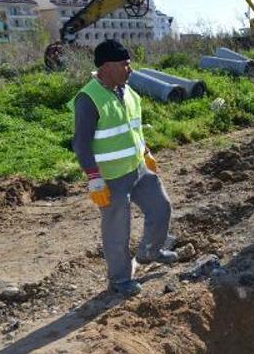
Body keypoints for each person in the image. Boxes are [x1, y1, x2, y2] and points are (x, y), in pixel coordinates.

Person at [69, 39, 178, 297]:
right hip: (110, 177)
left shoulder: (128, 91)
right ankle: (119, 280)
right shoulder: (88, 98)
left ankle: (150, 252)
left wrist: (146, 152)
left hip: (138, 168)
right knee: (118, 228)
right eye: (124, 64)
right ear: (106, 67)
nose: (130, 69)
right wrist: (94, 178)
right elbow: (81, 144)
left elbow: (134, 127)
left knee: (161, 207)